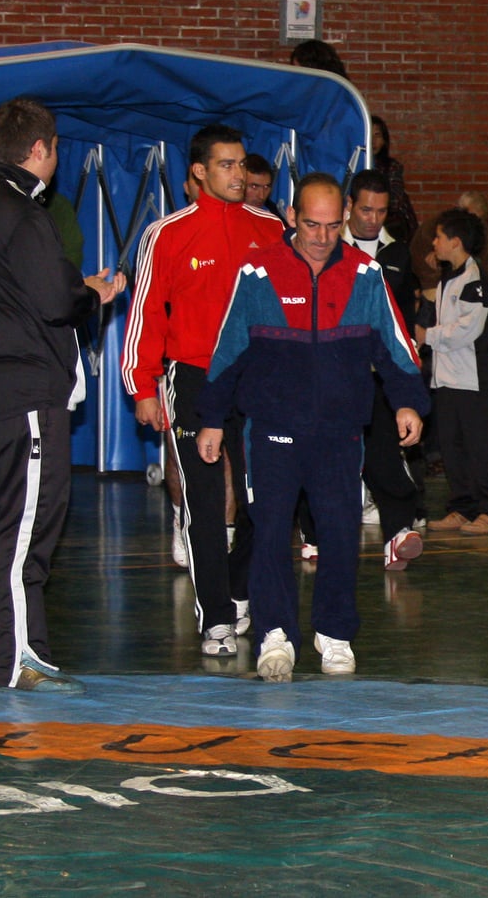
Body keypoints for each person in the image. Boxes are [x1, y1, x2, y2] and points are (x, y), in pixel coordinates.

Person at [194, 173, 427, 679]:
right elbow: (227, 351)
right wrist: (211, 419)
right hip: (273, 427)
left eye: (331, 225)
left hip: (341, 431)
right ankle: (275, 635)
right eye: (310, 225)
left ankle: (335, 633)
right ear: (292, 218)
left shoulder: (366, 275)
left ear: (344, 216)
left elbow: (395, 345)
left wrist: (408, 402)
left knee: (341, 532)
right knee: (271, 530)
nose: (322, 237)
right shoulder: (258, 274)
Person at [0, 97, 124, 690]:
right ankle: (20, 656)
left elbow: (13, 294)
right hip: (21, 390)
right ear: (40, 151)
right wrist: (92, 296)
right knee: (25, 525)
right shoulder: (23, 214)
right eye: (53, 148)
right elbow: (54, 300)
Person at [122, 124, 283, 657]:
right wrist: (142, 385)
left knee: (271, 499)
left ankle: (238, 587)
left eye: (242, 165)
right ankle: (215, 617)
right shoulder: (167, 234)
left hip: (259, 379)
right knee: (205, 503)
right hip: (192, 378)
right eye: (227, 166)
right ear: (199, 171)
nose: (239, 175)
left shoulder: (269, 228)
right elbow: (145, 312)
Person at [340, 169, 426, 564]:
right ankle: (312, 535)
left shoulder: (397, 253)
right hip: (334, 374)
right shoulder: (328, 246)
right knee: (326, 456)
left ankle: (398, 532)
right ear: (349, 207)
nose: (373, 218)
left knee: (385, 456)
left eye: (380, 211)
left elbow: (403, 314)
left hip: (380, 375)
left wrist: (407, 358)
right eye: (365, 209)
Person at [419, 209, 488, 535]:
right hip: (446, 378)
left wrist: (427, 336)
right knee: (452, 445)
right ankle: (462, 506)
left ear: (455, 242)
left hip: (472, 380)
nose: (434, 243)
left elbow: (466, 329)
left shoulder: (474, 281)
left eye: (439, 237)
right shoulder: (449, 277)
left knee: (479, 445)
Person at [368, 115, 419, 242]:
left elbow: (395, 201)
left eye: (377, 135)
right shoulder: (354, 165)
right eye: (369, 135)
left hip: (392, 226)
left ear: (384, 140)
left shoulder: (392, 167)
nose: (373, 141)